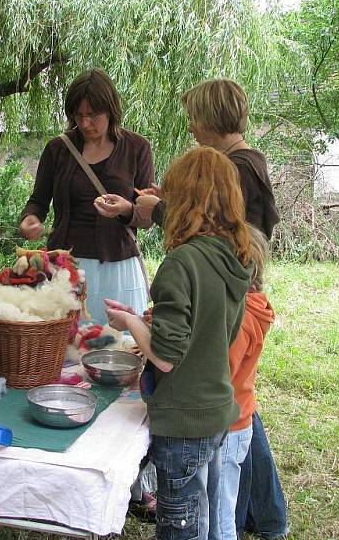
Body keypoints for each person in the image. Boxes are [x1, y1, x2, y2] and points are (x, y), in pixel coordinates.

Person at [137, 78, 287, 539]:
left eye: (195, 117)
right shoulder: (248, 162)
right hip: (239, 294)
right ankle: (266, 516)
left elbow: (208, 224)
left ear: (211, 118)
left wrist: (156, 208)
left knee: (232, 408)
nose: (191, 126)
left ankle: (255, 516)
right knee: (235, 405)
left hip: (234, 302)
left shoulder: (235, 169)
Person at [106, 146, 255, 540]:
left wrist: (131, 321)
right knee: (202, 517)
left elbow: (167, 358)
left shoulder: (182, 262)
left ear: (184, 202)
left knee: (181, 527)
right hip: (217, 408)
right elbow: (212, 325)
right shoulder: (236, 257)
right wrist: (157, 321)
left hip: (183, 417)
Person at [19, 68, 154, 323]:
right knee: (64, 350)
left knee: (121, 348)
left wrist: (127, 209)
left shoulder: (137, 148)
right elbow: (37, 202)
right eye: (78, 115)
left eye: (92, 115)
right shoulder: (58, 149)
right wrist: (30, 218)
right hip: (65, 267)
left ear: (111, 110)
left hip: (119, 268)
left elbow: (148, 216)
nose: (85, 124)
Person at [209, 226, 274, 540]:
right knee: (217, 504)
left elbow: (219, 372)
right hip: (236, 420)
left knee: (220, 513)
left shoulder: (242, 318)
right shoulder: (248, 308)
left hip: (229, 426)